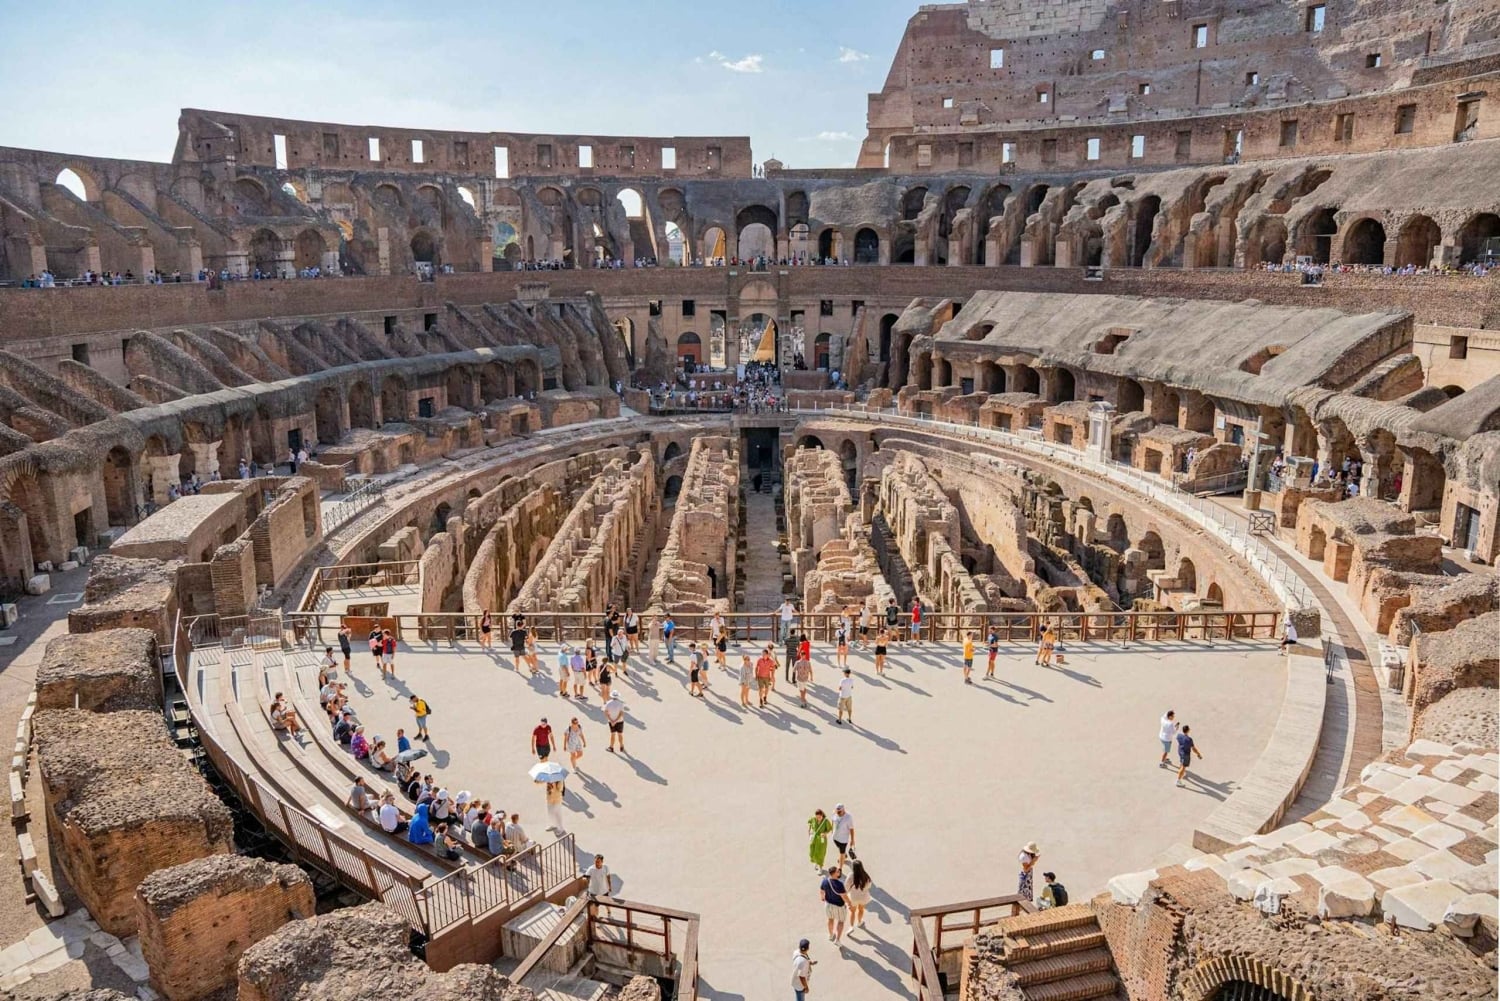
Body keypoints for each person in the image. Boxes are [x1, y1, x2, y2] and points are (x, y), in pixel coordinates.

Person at [820, 865, 849, 945]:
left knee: (830, 919)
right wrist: (849, 903)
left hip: (828, 905)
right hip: (839, 906)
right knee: (841, 921)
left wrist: (822, 897)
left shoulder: (825, 881)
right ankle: (837, 940)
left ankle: (831, 935)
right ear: (834, 874)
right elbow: (844, 897)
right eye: (838, 871)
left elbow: (821, 891)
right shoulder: (839, 884)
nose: (839, 872)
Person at [846, 859, 873, 929]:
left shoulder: (851, 875)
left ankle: (851, 926)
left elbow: (846, 886)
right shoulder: (866, 876)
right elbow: (869, 886)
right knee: (861, 910)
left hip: (853, 897)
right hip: (863, 897)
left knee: (852, 912)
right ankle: (859, 922)